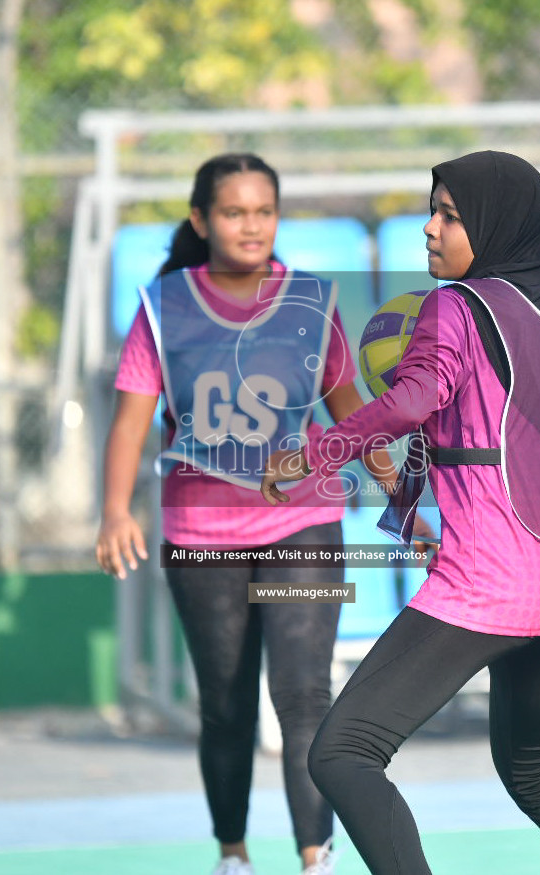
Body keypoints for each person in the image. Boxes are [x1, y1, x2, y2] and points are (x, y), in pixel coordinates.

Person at [262, 150, 540, 875]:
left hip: (489, 580)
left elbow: (413, 403)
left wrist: (317, 452)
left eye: (451, 215)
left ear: (495, 228)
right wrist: (413, 508)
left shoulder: (457, 306)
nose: (430, 228)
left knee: (343, 752)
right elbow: (476, 438)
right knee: (537, 773)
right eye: (432, 210)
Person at [96, 153, 412, 875]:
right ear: (202, 221)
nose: (250, 225)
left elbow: (353, 417)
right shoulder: (162, 308)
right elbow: (127, 426)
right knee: (226, 705)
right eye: (233, 212)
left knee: (304, 693)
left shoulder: (310, 303)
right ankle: (233, 854)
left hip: (303, 524)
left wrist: (403, 500)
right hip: (199, 535)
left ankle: (315, 856)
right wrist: (115, 510)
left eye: (263, 211)